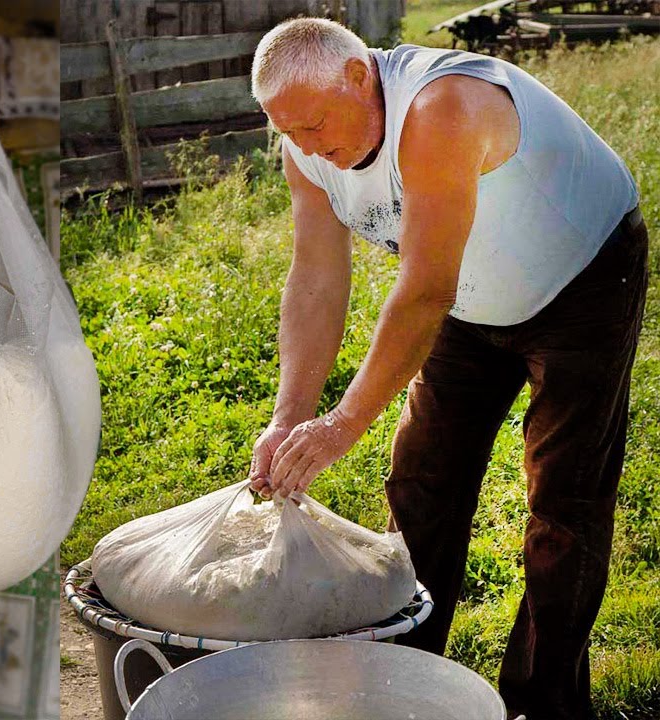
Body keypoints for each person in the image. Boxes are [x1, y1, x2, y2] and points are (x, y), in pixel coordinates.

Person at [245, 17, 646, 720]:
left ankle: (542, 701)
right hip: (469, 297)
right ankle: (404, 680)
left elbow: (423, 288)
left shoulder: (441, 109)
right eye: (289, 133)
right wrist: (289, 417)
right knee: (422, 479)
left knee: (564, 501)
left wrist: (342, 425)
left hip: (583, 279)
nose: (308, 149)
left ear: (359, 76)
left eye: (313, 126)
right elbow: (314, 279)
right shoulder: (304, 146)